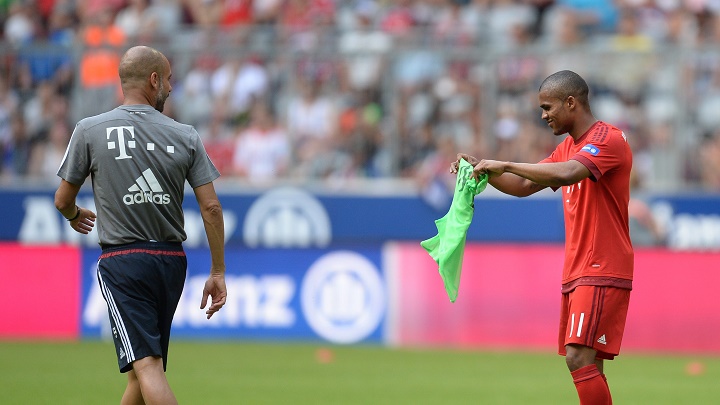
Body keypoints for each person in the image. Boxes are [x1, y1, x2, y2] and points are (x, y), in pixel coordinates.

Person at [54, 45, 227, 405]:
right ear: (153, 80)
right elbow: (210, 207)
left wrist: (73, 216)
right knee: (143, 371)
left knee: (147, 366)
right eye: (168, 80)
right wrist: (218, 270)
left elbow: (62, 199)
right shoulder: (186, 134)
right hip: (171, 261)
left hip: (123, 261)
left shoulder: (89, 130)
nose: (170, 87)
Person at [452, 70, 633, 404]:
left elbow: (567, 174)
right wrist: (484, 170)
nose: (543, 115)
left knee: (577, 356)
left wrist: (505, 162)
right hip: (580, 269)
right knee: (587, 363)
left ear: (571, 103)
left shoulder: (608, 139)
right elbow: (523, 186)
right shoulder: (567, 147)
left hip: (601, 265)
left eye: (548, 107)